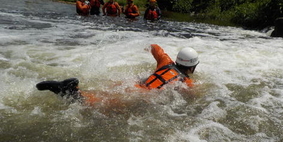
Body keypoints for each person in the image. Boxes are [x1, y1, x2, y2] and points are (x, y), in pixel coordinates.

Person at [36, 44, 199, 104]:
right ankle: (69, 92)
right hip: (141, 95)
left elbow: (156, 47)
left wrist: (148, 48)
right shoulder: (187, 83)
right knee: (101, 105)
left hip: (135, 85)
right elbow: (192, 97)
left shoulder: (166, 62)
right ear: (192, 67)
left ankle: (73, 91)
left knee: (104, 95)